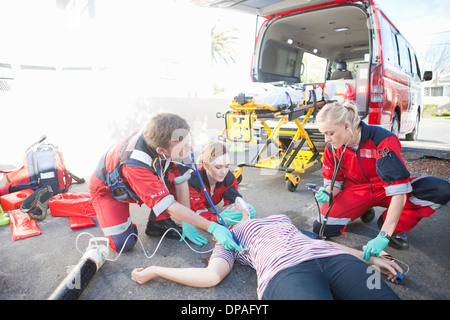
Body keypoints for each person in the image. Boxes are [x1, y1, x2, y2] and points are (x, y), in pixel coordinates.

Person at [131, 210, 402, 300]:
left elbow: (322, 243)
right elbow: (211, 276)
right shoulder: (227, 239)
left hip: (333, 259)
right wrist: (155, 270)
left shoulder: (280, 219)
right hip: (285, 272)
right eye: (223, 214)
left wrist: (369, 258)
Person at [313, 102, 450, 260]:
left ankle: (392, 226)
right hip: (357, 190)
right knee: (322, 227)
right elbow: (335, 182)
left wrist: (384, 235)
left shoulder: (382, 140)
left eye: (330, 133)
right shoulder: (332, 148)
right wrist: (327, 192)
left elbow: (399, 192)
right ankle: (364, 209)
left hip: (386, 189)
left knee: (440, 190)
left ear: (346, 126)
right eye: (323, 133)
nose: (326, 139)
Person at [89, 113, 241, 253]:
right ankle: (109, 215)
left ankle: (158, 223)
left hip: (149, 175)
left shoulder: (168, 136)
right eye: (183, 147)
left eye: (189, 141)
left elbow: (181, 180)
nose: (190, 149)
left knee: (174, 176)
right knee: (123, 244)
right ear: (161, 151)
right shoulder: (136, 164)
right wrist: (213, 227)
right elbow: (169, 206)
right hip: (109, 191)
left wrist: (187, 223)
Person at [186, 141, 254, 227]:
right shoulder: (193, 180)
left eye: (227, 166)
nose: (224, 172)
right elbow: (196, 214)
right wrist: (218, 219)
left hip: (206, 205)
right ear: (206, 165)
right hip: (185, 207)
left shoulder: (229, 178)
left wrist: (243, 207)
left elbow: (232, 202)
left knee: (242, 213)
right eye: (218, 167)